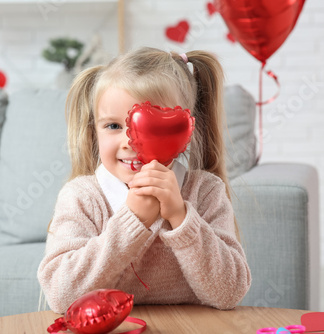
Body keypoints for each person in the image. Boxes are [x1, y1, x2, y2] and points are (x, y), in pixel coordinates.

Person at [37, 47, 251, 314]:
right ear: (94, 132)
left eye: (154, 126)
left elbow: (230, 293)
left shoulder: (205, 191)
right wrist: (132, 221)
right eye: (113, 126)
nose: (130, 142)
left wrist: (182, 217)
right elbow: (61, 296)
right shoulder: (81, 197)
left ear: (185, 129)